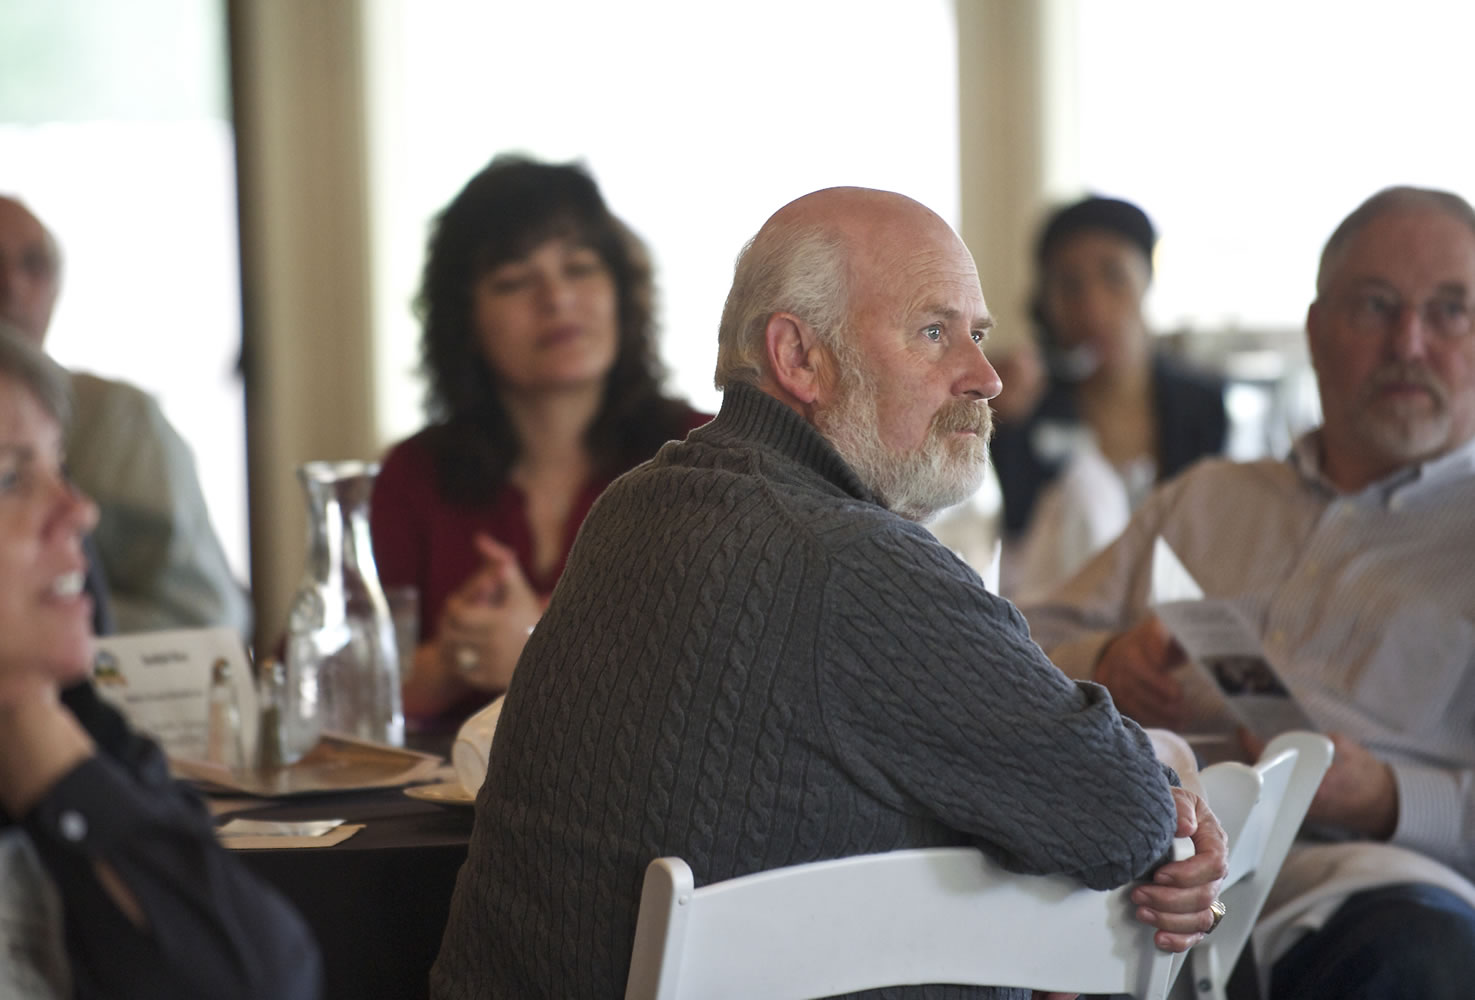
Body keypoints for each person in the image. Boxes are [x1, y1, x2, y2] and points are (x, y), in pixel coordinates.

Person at [429, 187, 1229, 1000]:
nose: (983, 376)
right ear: (798, 357)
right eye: (932, 332)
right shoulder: (851, 562)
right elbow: (1123, 819)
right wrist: (1161, 761)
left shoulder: (635, 503)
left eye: (978, 334)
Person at [1023, 186, 1475, 1000]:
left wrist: (1388, 798)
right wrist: (1104, 664)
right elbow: (999, 651)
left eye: (1450, 311)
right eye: (1374, 306)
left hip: (1364, 889)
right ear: (1313, 330)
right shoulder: (1204, 501)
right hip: (1137, 863)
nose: (1408, 342)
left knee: (1422, 954)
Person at [0, 325, 320, 999]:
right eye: (9, 478)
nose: (79, 510)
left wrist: (40, 734)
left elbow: (268, 976)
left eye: (60, 465)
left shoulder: (87, 731)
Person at [370, 156, 707, 734]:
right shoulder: (415, 474)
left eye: (579, 268)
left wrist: (536, 650)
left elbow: (741, 681)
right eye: (513, 281)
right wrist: (449, 661)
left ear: (623, 296)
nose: (556, 298)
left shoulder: (707, 455)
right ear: (463, 321)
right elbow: (313, 688)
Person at [0, 195, 252, 637]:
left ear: (57, 288)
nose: (10, 287)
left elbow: (207, 615)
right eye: (13, 475)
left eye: (33, 266)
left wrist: (62, 613)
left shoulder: (118, 421)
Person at [988, 196, 1227, 599]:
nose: (1093, 307)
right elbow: (1010, 539)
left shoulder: (1201, 406)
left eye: (1114, 276)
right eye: (1070, 285)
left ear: (1146, 280)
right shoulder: (1023, 408)